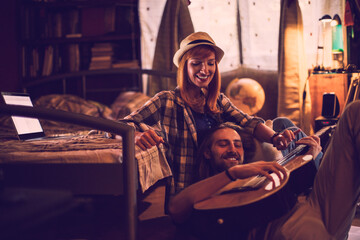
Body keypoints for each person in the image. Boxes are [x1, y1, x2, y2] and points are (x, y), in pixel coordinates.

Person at [123, 31, 296, 198]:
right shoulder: (165, 100)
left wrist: (275, 138)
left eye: (210, 63)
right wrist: (135, 136)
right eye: (196, 63)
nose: (205, 70)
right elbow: (120, 126)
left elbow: (248, 122)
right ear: (185, 66)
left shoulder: (218, 100)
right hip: (190, 192)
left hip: (226, 182)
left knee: (284, 126)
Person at [168, 100, 360, 240]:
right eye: (223, 144)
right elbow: (176, 208)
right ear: (208, 153)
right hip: (305, 229)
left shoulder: (256, 174)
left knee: (354, 111)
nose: (233, 149)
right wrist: (232, 174)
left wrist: (314, 156)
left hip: (315, 204)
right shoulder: (206, 192)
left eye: (237, 144)